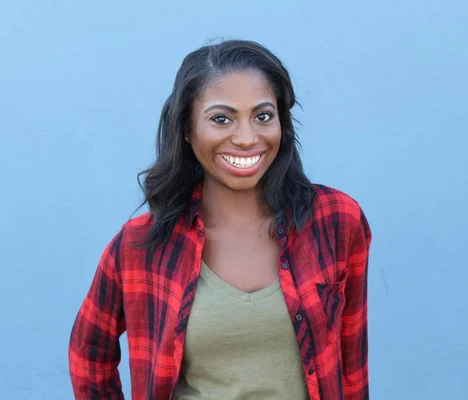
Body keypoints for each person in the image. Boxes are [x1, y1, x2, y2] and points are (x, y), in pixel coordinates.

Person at [69, 39, 371, 400]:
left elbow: (352, 364)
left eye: (262, 116)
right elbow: (89, 355)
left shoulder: (337, 221)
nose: (246, 138)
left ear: (282, 122)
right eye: (221, 118)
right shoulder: (140, 246)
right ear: (186, 128)